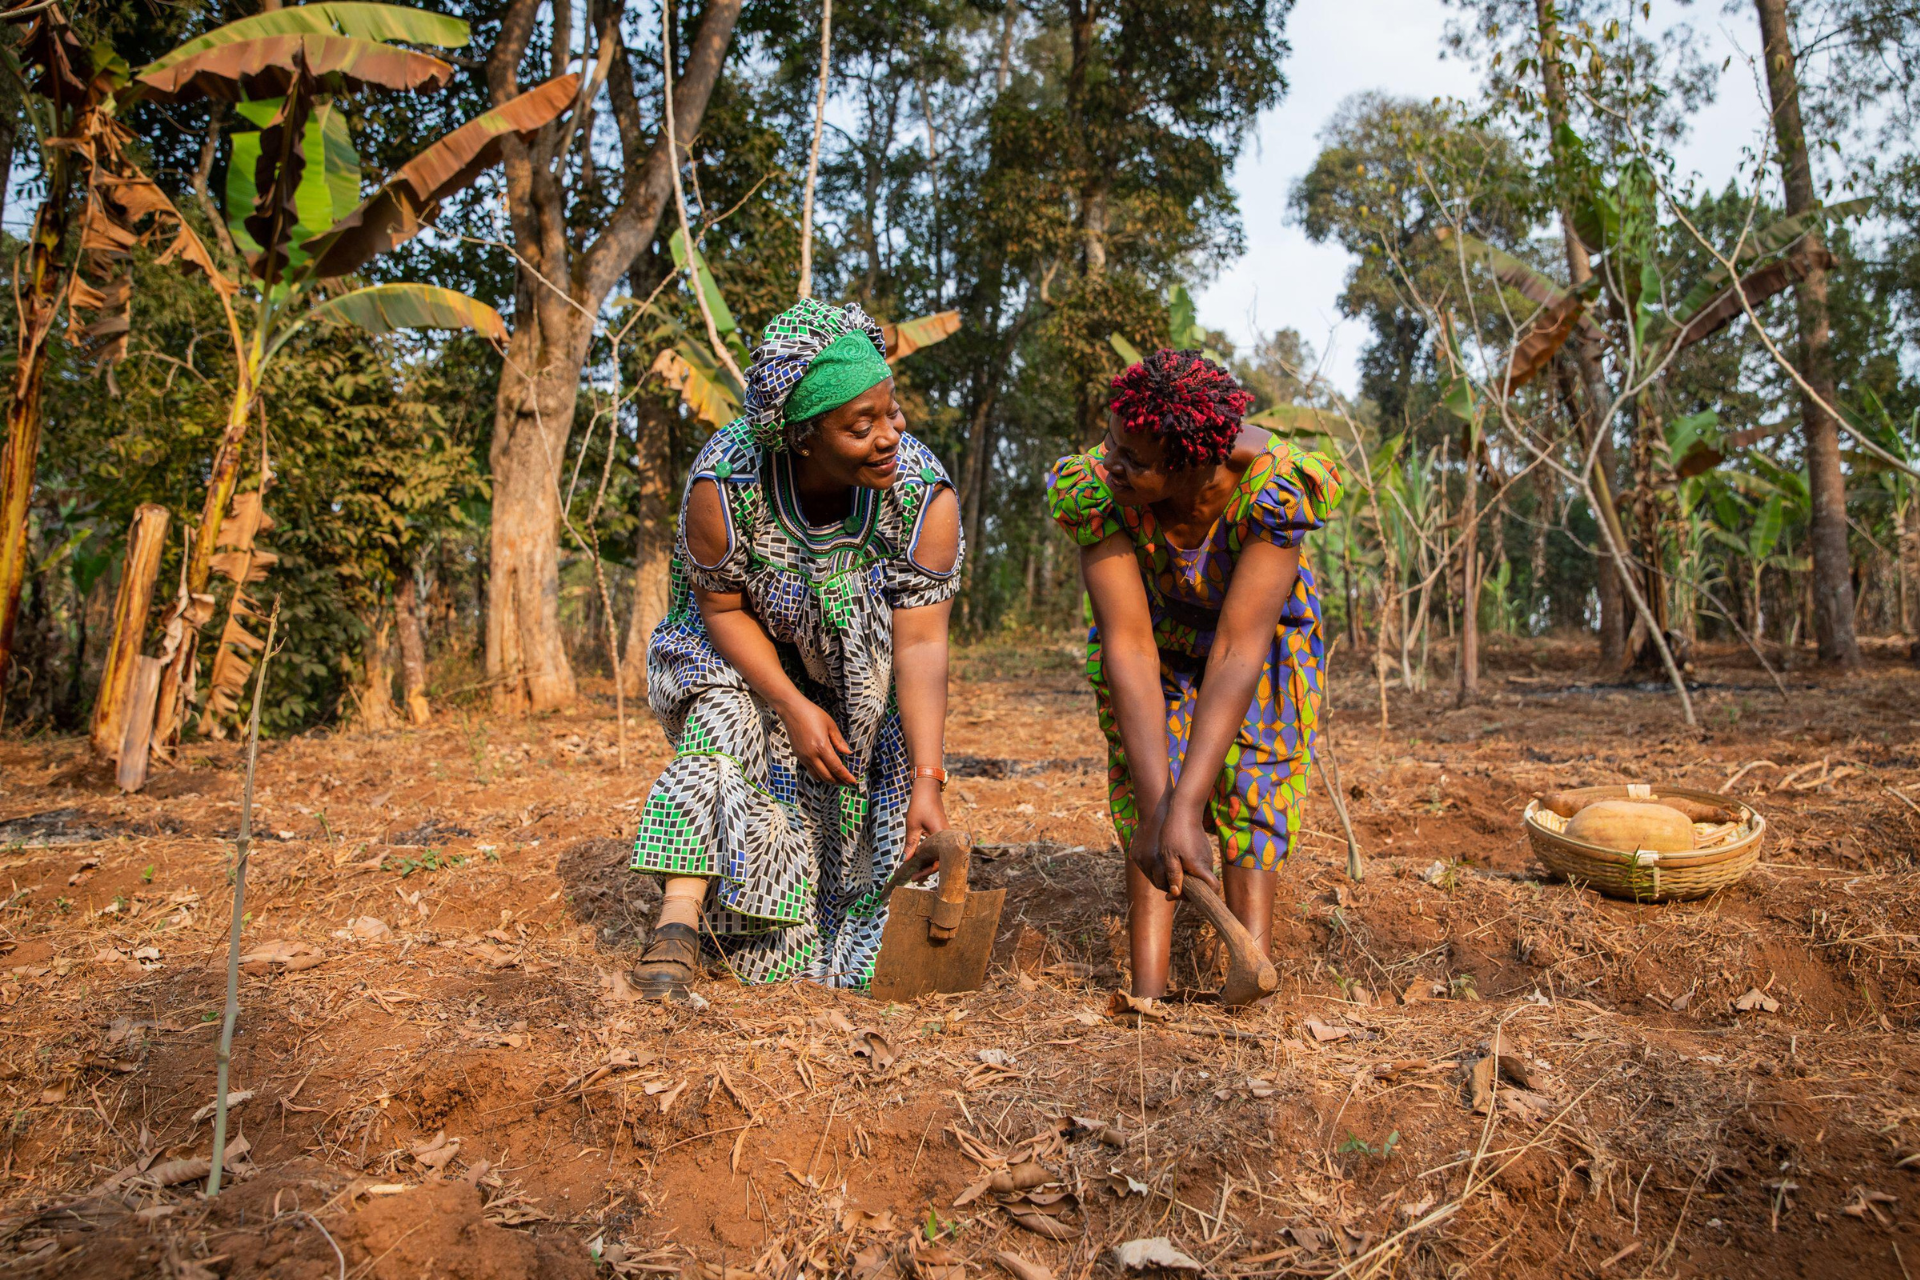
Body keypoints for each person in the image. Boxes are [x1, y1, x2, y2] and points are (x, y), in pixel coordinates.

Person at [627, 299, 962, 998]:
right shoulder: (726, 484)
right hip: (737, 653)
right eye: (859, 425)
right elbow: (719, 607)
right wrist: (788, 702)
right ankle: (677, 924)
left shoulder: (921, 495)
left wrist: (928, 778)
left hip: (862, 680)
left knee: (842, 956)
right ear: (802, 437)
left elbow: (923, 645)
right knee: (724, 721)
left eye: (891, 411)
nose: (888, 436)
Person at [1046, 348, 1343, 1000]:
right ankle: (1147, 994)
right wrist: (1163, 809)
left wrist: (1191, 804)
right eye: (1111, 442)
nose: (1111, 464)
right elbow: (1128, 647)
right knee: (1150, 800)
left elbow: (1240, 648)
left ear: (1194, 465)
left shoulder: (1273, 489)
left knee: (1254, 784)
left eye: (1137, 461)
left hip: (1256, 648)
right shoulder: (1100, 489)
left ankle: (1248, 972)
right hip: (1153, 633)